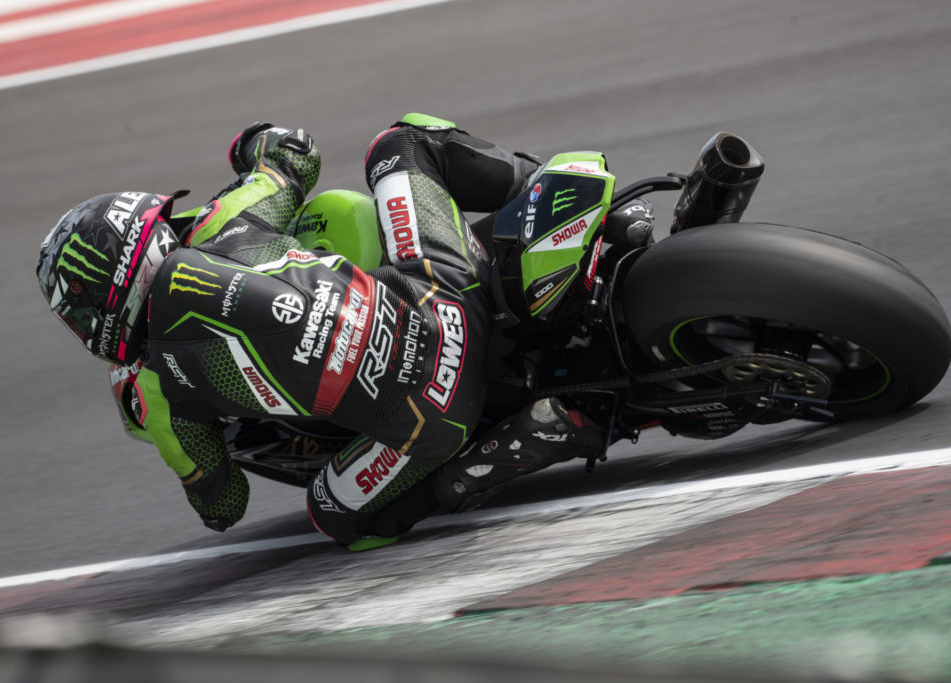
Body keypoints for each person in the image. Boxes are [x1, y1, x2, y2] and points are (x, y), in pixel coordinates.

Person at [36, 114, 603, 549]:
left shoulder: (154, 393)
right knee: (399, 144)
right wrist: (251, 143)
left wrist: (201, 474)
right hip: (446, 294)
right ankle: (538, 197)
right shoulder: (223, 221)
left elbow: (225, 506)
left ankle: (530, 440)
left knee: (337, 516)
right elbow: (294, 154)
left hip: (434, 419)